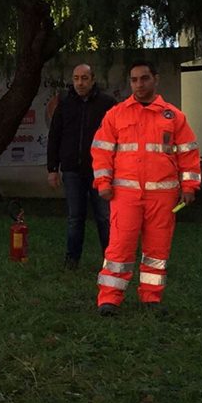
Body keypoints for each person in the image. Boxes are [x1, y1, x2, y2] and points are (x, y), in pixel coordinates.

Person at [91, 61, 201, 316]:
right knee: (119, 247)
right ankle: (109, 299)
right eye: (134, 80)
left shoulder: (173, 116)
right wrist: (103, 183)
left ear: (156, 79)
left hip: (162, 196)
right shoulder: (116, 114)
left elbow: (188, 154)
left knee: (157, 250)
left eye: (144, 79)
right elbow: (101, 151)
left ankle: (151, 298)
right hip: (125, 195)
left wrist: (190, 186)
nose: (139, 84)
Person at [46, 64, 116, 269]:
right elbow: (54, 137)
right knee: (75, 217)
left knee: (104, 218)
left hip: (100, 172)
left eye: (84, 78)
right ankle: (72, 259)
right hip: (72, 171)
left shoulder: (108, 104)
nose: (80, 83)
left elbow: (118, 137)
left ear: (93, 80)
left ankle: (111, 260)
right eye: (76, 78)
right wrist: (52, 169)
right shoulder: (65, 104)